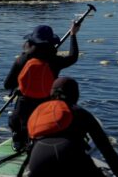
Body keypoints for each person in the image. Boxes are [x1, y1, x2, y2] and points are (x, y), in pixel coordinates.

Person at [4, 23, 80, 151]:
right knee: (42, 128)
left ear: (31, 42)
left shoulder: (21, 60)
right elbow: (73, 57)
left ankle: (18, 140)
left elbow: (7, 85)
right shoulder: (55, 61)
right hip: (45, 104)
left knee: (15, 122)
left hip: (23, 105)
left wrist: (17, 88)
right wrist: (73, 35)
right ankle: (39, 143)